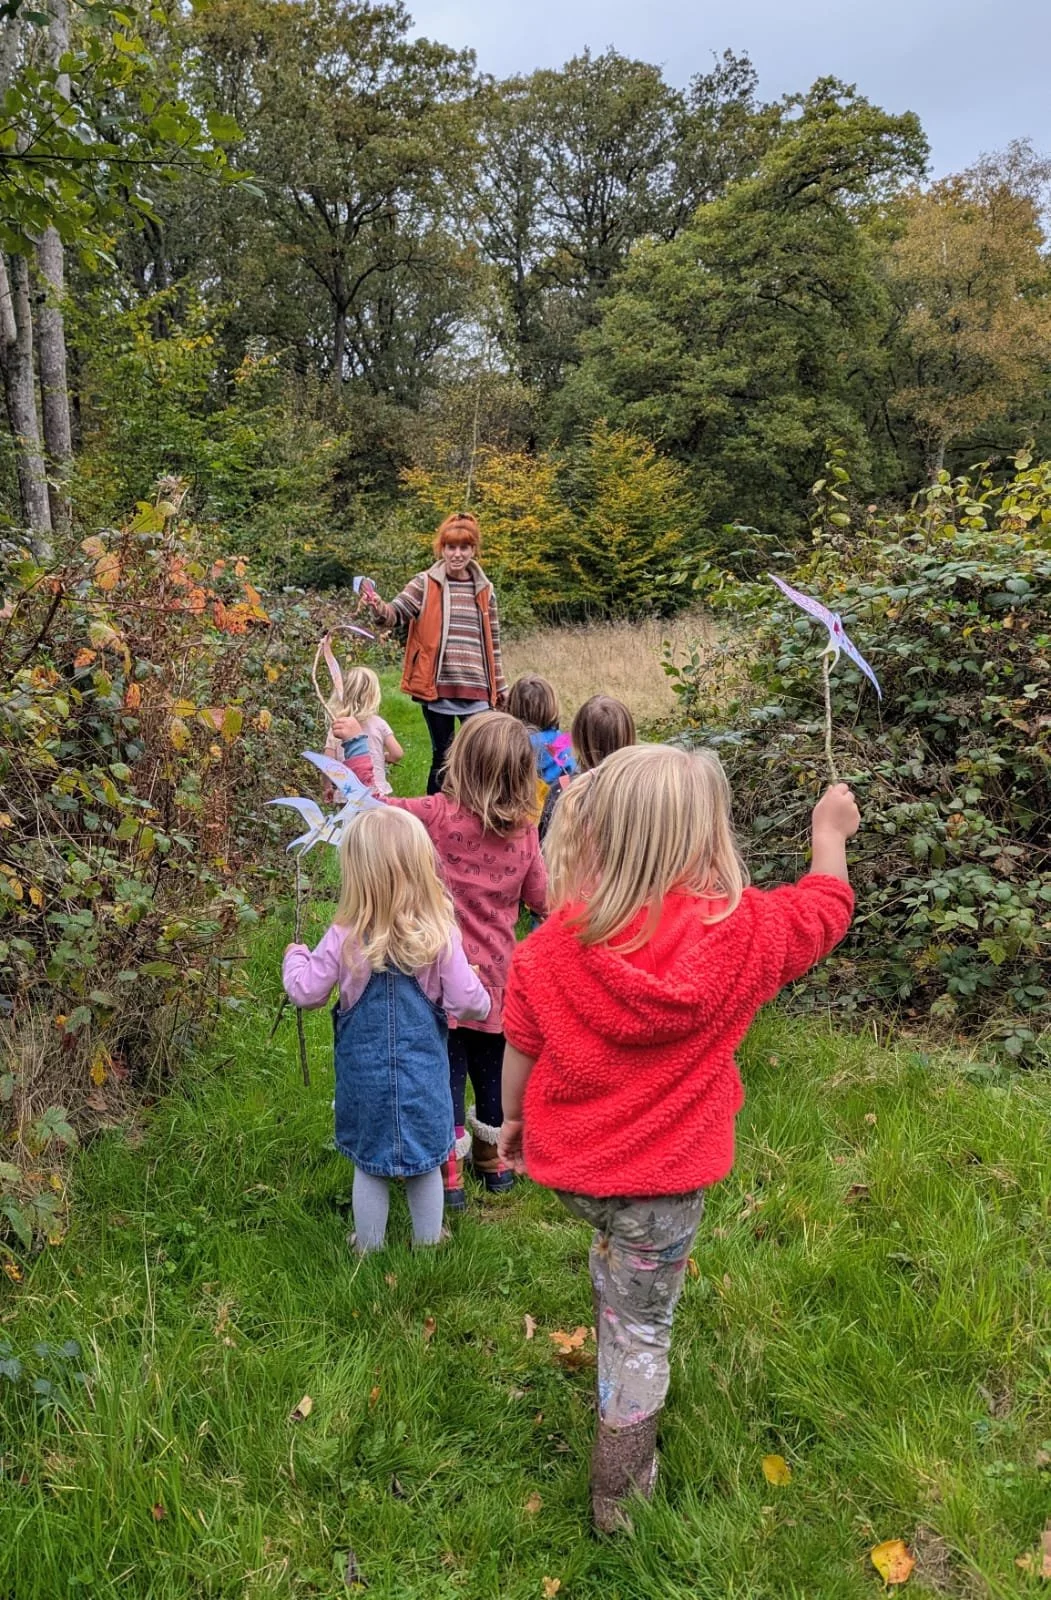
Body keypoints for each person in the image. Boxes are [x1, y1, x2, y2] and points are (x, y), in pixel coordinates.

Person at [499, 747, 858, 1532]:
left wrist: (514, 1124)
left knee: (617, 1259)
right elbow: (824, 911)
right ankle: (618, 1501)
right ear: (705, 835)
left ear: (599, 834)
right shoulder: (750, 934)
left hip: (576, 1174)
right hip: (660, 1189)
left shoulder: (547, 949)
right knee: (641, 1335)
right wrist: (827, 834)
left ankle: (612, 1268)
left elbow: (520, 1048)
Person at [282, 807, 490, 1251]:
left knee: (369, 1165)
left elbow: (306, 992)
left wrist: (294, 956)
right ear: (421, 868)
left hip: (365, 1082)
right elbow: (467, 1002)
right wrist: (482, 992)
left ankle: (369, 1245)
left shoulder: (344, 934)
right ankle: (428, 1242)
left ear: (357, 876)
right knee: (426, 1163)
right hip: (423, 1080)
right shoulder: (440, 935)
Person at [387, 712, 547, 1205]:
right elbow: (543, 897)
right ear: (522, 775)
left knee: (446, 1073)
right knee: (492, 1071)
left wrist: (353, 754)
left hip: (441, 973)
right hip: (499, 975)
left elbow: (379, 810)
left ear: (461, 762)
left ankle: (448, 1175)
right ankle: (493, 1162)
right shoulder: (523, 832)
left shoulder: (436, 814)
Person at [360, 512, 508, 794]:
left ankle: (472, 818)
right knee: (443, 758)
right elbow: (395, 614)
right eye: (451, 547)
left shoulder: (485, 590)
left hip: (477, 689)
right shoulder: (425, 583)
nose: (457, 554)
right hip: (437, 688)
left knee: (478, 760)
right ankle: (434, 820)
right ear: (441, 548)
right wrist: (378, 606)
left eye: (464, 547)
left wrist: (501, 687)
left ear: (474, 550)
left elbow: (495, 644)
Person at [538, 694, 636, 842]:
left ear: (577, 740)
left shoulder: (564, 790)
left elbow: (544, 842)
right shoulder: (640, 789)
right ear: (630, 738)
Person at [324, 666, 403, 797]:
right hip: (375, 790)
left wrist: (327, 787)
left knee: (350, 818)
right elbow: (397, 753)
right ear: (373, 696)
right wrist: (385, 757)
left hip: (347, 792)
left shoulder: (338, 727)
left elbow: (328, 763)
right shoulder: (379, 724)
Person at [506, 674, 576, 816]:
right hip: (556, 813)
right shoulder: (562, 741)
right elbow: (571, 776)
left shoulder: (508, 745)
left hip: (517, 816)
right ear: (552, 706)